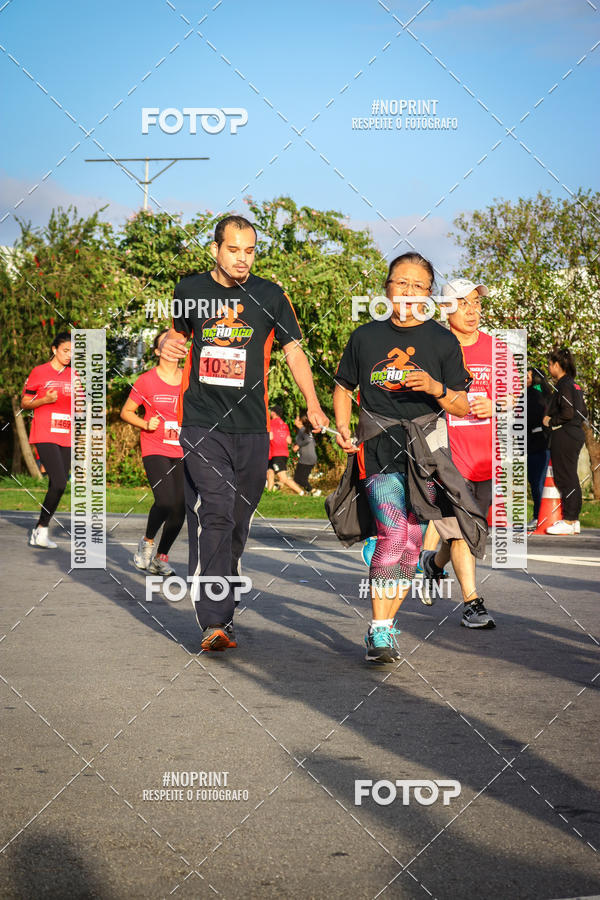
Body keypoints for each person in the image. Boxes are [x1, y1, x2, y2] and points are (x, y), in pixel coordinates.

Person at [159, 215, 328, 651]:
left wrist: (312, 402)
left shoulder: (271, 295)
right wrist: (169, 344)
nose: (242, 259)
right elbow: (175, 339)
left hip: (253, 428)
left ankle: (224, 611)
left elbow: (293, 351)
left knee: (235, 522)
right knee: (214, 511)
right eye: (234, 250)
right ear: (216, 248)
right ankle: (213, 621)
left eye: (250, 251)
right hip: (201, 424)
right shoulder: (189, 291)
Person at [334, 252, 472, 663]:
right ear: (387, 288)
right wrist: (344, 426)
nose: (408, 292)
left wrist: (433, 386)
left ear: (429, 295)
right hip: (377, 447)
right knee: (394, 533)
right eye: (400, 283)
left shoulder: (443, 341)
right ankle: (379, 630)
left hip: (426, 453)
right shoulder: (365, 337)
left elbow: (462, 405)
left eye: (418, 286)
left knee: (412, 544)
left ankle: (386, 625)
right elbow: (343, 386)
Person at [419, 278, 501, 628]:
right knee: (459, 530)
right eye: (463, 303)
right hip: (446, 455)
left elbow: (516, 399)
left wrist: (495, 405)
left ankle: (432, 564)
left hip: (485, 457)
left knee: (470, 532)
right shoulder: (434, 348)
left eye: (476, 304)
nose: (472, 310)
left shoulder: (496, 349)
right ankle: (472, 602)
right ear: (445, 309)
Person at [120, 330, 185, 576]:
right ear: (158, 351)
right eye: (166, 343)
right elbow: (126, 412)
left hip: (182, 449)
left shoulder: (189, 379)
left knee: (181, 507)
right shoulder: (146, 380)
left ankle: (160, 557)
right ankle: (147, 543)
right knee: (166, 500)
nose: (173, 347)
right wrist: (146, 424)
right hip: (155, 447)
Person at [22, 332, 73, 549]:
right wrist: (45, 400)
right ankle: (41, 529)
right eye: (65, 350)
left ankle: (40, 530)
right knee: (60, 481)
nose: (69, 355)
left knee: (58, 484)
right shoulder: (39, 372)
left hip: (67, 434)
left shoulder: (75, 375)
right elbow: (25, 402)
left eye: (73, 351)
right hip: (44, 432)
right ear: (54, 349)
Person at [543, 347, 587, 535]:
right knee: (571, 476)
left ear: (558, 365)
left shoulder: (564, 385)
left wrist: (551, 421)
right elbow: (583, 412)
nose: (548, 367)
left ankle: (568, 520)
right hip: (575, 433)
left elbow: (568, 412)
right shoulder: (575, 385)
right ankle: (574, 519)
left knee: (564, 477)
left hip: (565, 434)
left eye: (550, 364)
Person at [526, 368, 551, 530]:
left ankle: (538, 516)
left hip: (537, 443)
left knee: (536, 482)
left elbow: (528, 417)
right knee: (538, 481)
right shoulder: (546, 393)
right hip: (545, 442)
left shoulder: (533, 395)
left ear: (535, 378)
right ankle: (540, 515)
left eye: (527, 376)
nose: (524, 379)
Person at [268, 405, 306, 495]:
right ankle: (268, 492)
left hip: (275, 453)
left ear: (273, 413)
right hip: (284, 453)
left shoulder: (270, 423)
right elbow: (288, 440)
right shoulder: (284, 425)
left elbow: (270, 437)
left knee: (283, 478)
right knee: (269, 471)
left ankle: (301, 492)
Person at [293, 411, 321, 495]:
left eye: (296, 418)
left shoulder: (302, 430)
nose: (295, 420)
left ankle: (313, 491)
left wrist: (298, 445)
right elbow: (312, 442)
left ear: (300, 421)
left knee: (298, 479)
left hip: (306, 458)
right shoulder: (306, 430)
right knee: (301, 478)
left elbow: (308, 440)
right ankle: (310, 491)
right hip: (310, 457)